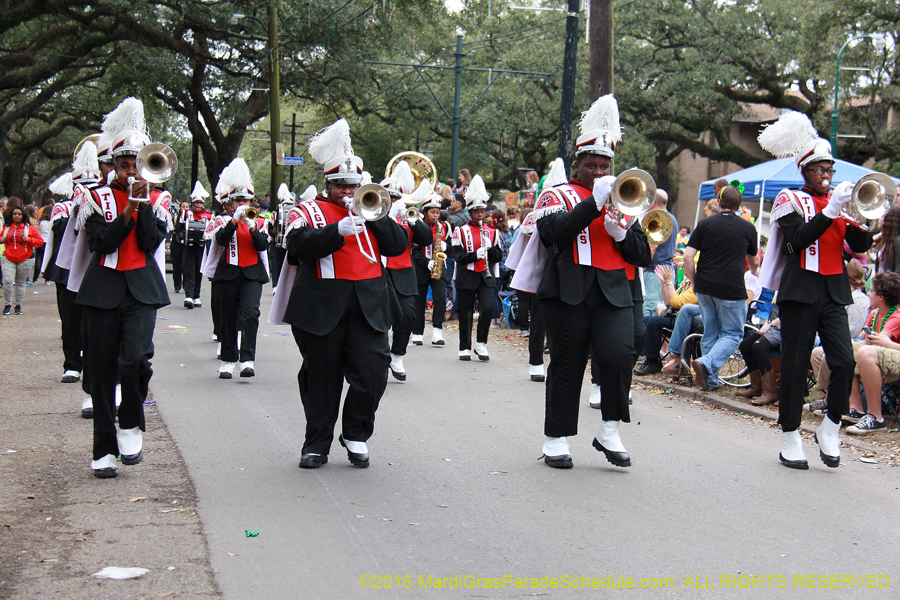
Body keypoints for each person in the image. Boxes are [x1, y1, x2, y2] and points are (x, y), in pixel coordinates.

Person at [274, 118, 408, 469]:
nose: (349, 192)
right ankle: (316, 443)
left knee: (374, 372)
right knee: (322, 377)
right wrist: (337, 230)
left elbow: (397, 246)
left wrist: (376, 215)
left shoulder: (374, 207)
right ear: (328, 185)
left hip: (369, 304)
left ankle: (355, 433)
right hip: (322, 305)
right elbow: (296, 246)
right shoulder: (309, 210)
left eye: (353, 185)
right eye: (342, 186)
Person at [534, 95, 651, 469]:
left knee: (619, 356)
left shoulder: (622, 200)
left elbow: (643, 254)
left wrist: (621, 232)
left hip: (614, 289)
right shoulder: (557, 194)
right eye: (592, 166)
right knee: (567, 363)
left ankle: (609, 429)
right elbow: (554, 233)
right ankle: (556, 437)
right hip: (569, 289)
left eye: (605, 167)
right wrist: (591, 204)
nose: (600, 173)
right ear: (577, 165)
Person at [757, 111, 873, 469]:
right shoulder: (788, 199)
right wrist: (830, 212)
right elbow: (796, 241)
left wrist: (860, 215)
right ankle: (790, 433)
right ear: (805, 170)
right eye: (821, 170)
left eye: (830, 170)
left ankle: (831, 425)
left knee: (844, 360)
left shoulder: (838, 205)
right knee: (793, 364)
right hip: (799, 291)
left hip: (834, 292)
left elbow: (862, 244)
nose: (827, 176)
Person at [75, 97, 170, 478]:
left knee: (135, 360)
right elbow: (102, 244)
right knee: (100, 371)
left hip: (141, 290)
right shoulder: (92, 197)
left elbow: (150, 244)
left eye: (137, 164)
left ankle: (131, 422)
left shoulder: (158, 198)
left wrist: (143, 206)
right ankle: (103, 448)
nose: (132, 171)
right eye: (124, 164)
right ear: (112, 165)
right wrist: (128, 209)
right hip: (102, 290)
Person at [683, 185, 759, 391]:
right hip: (731, 288)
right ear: (739, 205)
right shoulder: (748, 228)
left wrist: (694, 280)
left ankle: (711, 382)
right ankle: (707, 364)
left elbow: (688, 256)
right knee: (733, 334)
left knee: (711, 333)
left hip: (705, 286)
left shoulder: (705, 223)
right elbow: (754, 264)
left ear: (719, 201)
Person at [207, 160, 269, 379]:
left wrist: (251, 225)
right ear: (230, 203)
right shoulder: (222, 220)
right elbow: (221, 241)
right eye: (238, 200)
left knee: (251, 314)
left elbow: (262, 245)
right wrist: (234, 221)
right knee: (228, 317)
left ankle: (247, 359)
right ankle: (227, 359)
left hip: (252, 273)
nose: (242, 203)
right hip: (228, 273)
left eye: (246, 200)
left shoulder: (260, 222)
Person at [382, 165, 432, 380]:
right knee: (377, 317)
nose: (393, 202)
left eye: (396, 198)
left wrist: (413, 220)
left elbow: (426, 238)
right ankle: (378, 356)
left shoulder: (407, 215)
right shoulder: (373, 213)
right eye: (389, 198)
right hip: (378, 271)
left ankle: (397, 354)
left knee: (407, 316)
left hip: (403, 271)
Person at [451, 175, 502, 361]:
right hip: (467, 275)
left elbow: (499, 257)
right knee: (465, 312)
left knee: (487, 308)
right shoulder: (460, 231)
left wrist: (491, 249)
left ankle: (481, 344)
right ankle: (464, 347)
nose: (480, 214)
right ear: (470, 213)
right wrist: (475, 255)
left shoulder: (493, 232)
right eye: (476, 212)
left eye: (482, 211)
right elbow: (457, 256)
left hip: (486, 277)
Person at [634, 264, 697, 375]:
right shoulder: (687, 283)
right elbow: (669, 303)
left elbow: (677, 303)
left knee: (653, 322)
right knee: (648, 319)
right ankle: (650, 359)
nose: (684, 267)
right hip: (677, 318)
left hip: (687, 321)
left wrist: (669, 282)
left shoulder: (695, 286)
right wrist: (663, 283)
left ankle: (652, 361)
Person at [412, 193, 451, 346]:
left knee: (440, 298)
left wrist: (446, 248)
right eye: (432, 212)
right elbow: (413, 251)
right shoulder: (418, 226)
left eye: (437, 212)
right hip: (423, 268)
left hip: (439, 266)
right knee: (419, 300)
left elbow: (453, 249)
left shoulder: (444, 226)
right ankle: (417, 332)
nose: (436, 215)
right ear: (425, 212)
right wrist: (425, 261)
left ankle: (437, 330)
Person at [1, 205, 44, 314]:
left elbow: (40, 242)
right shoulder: (7, 228)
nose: (16, 216)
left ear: (23, 215)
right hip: (8, 257)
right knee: (8, 281)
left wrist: (29, 239)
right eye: (14, 214)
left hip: (25, 259)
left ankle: (18, 306)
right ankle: (7, 305)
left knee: (20, 283)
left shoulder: (30, 228)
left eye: (19, 214)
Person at [642, 190, 679, 317]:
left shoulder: (657, 218)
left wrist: (643, 266)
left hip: (654, 270)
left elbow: (652, 246)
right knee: (662, 309)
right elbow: (674, 245)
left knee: (649, 308)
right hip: (668, 269)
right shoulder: (672, 218)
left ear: (654, 202)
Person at [179, 184, 212, 309]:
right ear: (192, 203)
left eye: (200, 203)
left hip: (202, 248)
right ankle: (188, 296)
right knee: (189, 271)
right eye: (196, 203)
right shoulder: (186, 214)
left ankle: (196, 296)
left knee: (199, 271)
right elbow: (179, 228)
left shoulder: (209, 216)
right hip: (189, 247)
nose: (198, 205)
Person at [169, 200, 189, 293]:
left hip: (186, 243)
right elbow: (170, 230)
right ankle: (177, 285)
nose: (184, 209)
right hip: (176, 242)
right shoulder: (175, 218)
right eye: (183, 207)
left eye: (186, 207)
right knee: (176, 265)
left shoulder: (191, 218)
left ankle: (186, 285)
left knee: (185, 264)